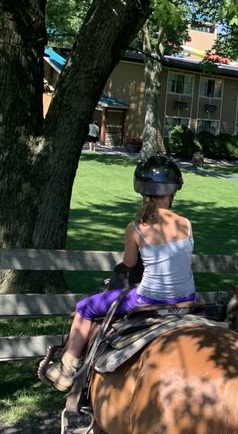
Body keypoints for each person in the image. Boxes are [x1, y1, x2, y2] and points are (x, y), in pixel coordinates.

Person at [41, 154, 196, 391]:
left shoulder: (135, 228)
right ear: (172, 192)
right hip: (187, 299)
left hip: (150, 298)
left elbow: (130, 262)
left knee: (85, 308)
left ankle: (67, 368)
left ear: (142, 192)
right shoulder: (185, 223)